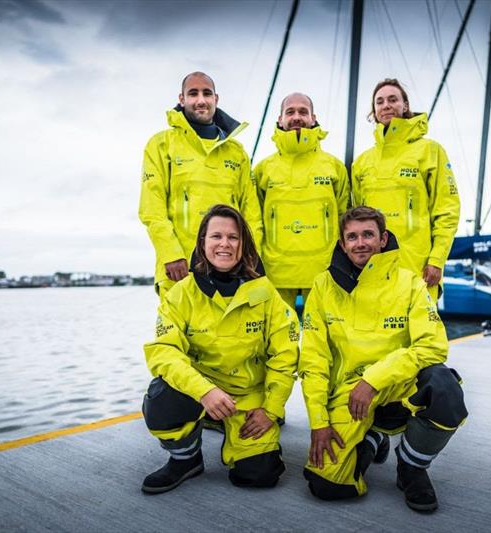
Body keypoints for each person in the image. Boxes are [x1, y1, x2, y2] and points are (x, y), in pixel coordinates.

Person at [299, 206, 468, 512]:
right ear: (342, 243)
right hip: (349, 394)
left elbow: (432, 346)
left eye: (368, 234)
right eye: (352, 236)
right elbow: (313, 359)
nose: (360, 242)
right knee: (328, 486)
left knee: (444, 388)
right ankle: (373, 438)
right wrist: (319, 422)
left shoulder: (410, 282)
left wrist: (373, 379)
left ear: (383, 238)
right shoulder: (323, 286)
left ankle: (412, 467)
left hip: (398, 383)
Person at [140, 204, 298, 493]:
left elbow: (285, 356)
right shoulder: (180, 294)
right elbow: (164, 352)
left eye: (233, 237)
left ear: (243, 245)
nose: (224, 244)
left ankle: (236, 435)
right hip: (200, 394)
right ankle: (185, 458)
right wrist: (204, 391)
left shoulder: (267, 294)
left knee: (259, 477)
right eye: (216, 236)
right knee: (162, 399)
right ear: (202, 243)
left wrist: (270, 410)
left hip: (248, 398)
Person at [139, 72, 263, 304]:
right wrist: (171, 253)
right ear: (182, 99)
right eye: (193, 93)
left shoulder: (236, 152)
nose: (200, 100)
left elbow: (251, 213)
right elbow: (151, 209)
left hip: (230, 266)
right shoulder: (161, 144)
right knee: (176, 337)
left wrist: (250, 258)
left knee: (231, 337)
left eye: (206, 93)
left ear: (216, 98)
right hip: (180, 267)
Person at [352, 79, 460, 302]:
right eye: (379, 101)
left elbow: (447, 211)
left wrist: (436, 260)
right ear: (374, 111)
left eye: (393, 99)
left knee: (424, 335)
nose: (386, 105)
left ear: (405, 105)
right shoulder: (362, 162)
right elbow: (355, 219)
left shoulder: (430, 151)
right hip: (374, 270)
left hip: (418, 268)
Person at [253, 92, 349, 310]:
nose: (297, 117)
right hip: (273, 274)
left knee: (325, 340)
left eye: (303, 112)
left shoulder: (334, 167)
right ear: (280, 120)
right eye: (290, 112)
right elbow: (253, 220)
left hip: (324, 273)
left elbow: (346, 218)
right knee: (273, 340)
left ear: (313, 118)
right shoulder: (262, 170)